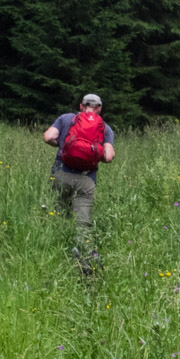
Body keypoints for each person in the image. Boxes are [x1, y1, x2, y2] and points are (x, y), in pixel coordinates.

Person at [42, 93, 116, 272]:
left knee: (59, 215)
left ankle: (56, 255)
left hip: (61, 175)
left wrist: (63, 146)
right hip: (86, 180)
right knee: (83, 224)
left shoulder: (66, 118)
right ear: (99, 108)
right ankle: (84, 261)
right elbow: (108, 157)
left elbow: (48, 137)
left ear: (81, 106)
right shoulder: (105, 128)